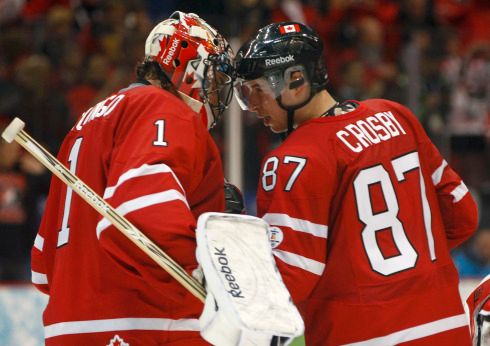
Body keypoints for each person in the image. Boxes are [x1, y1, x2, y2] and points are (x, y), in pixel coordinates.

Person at [234, 22, 478, 345]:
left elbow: (291, 280)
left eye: (258, 91)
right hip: (446, 328)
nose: (253, 107)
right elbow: (464, 215)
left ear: (296, 80)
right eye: (245, 94)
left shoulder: (292, 159)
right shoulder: (396, 116)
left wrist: (234, 255)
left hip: (362, 336)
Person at [30, 11, 234, 346]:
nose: (214, 91)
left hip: (68, 326)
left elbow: (42, 263)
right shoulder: (164, 109)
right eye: (212, 78)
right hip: (142, 324)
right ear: (187, 70)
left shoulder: (87, 122)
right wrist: (207, 274)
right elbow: (141, 214)